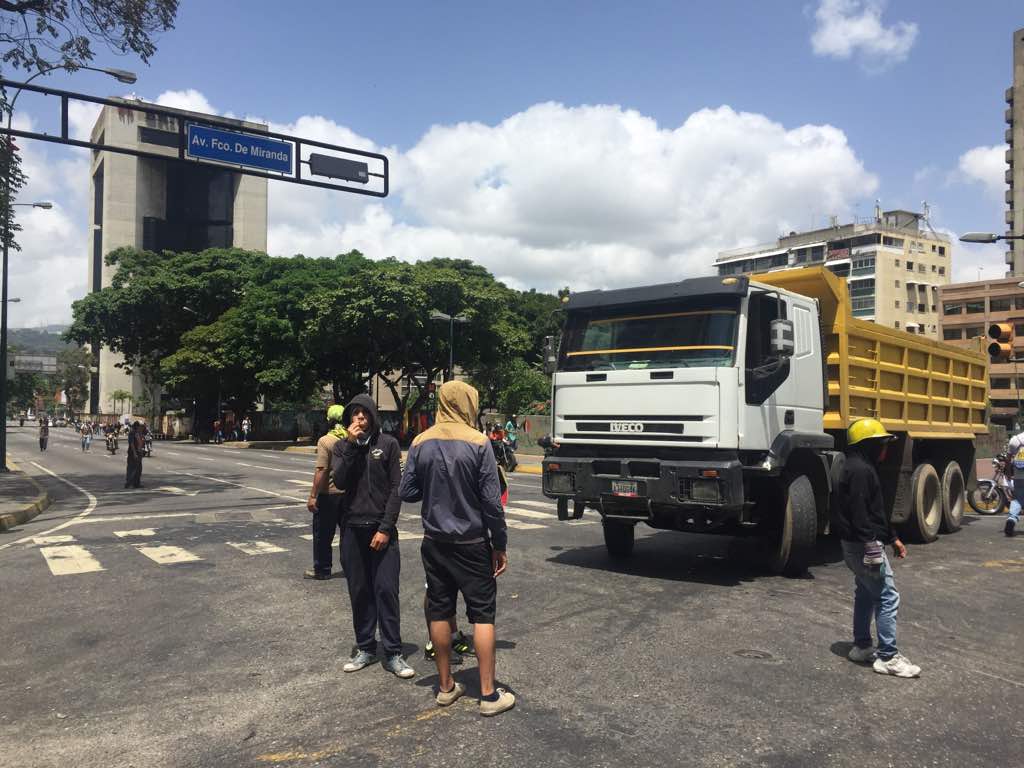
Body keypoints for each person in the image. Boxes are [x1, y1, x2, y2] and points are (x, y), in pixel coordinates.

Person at [400, 380, 514, 716]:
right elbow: (492, 503)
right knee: (482, 615)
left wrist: (434, 487)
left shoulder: (420, 442)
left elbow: (406, 492)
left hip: (434, 543)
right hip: (472, 543)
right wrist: (500, 544)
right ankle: (489, 695)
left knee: (439, 610)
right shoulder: (479, 442)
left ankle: (446, 687)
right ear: (468, 404)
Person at [331, 394, 413, 679]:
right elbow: (340, 480)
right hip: (352, 529)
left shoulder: (388, 445)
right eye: (354, 414)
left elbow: (396, 489)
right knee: (360, 591)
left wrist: (385, 529)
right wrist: (352, 446)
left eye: (364, 413)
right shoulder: (342, 447)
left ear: (373, 417)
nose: (359, 418)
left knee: (386, 591)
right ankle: (365, 647)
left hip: (381, 531)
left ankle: (393, 652)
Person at [833, 418, 920, 678]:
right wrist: (872, 545)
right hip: (863, 545)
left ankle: (861, 646)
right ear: (869, 445)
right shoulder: (861, 471)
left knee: (866, 593)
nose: (885, 450)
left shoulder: (856, 467)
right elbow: (861, 513)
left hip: (855, 544)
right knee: (887, 596)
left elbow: (874, 512)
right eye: (881, 444)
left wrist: (892, 538)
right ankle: (888, 657)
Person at [305, 405, 347, 580]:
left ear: (329, 420)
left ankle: (322, 569)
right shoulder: (351, 439)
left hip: (328, 494)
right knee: (348, 534)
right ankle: (351, 567)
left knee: (323, 534)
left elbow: (321, 470)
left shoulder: (326, 441)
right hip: (348, 494)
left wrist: (313, 495)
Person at [1001, 429, 1024, 537]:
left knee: (1018, 498)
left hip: (1019, 474)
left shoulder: (1015, 440)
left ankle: (1012, 519)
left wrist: (1008, 473)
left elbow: (1008, 459)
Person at [125, 421, 145, 488]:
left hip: (139, 453)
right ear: (137, 426)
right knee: (132, 468)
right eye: (140, 426)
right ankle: (129, 483)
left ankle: (136, 483)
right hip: (133, 453)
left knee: (139, 469)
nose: (141, 428)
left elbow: (141, 442)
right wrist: (134, 453)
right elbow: (132, 444)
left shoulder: (139, 433)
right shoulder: (132, 433)